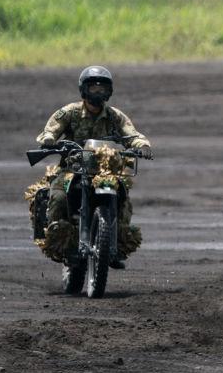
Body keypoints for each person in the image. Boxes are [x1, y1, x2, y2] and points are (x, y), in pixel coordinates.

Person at [35, 66, 152, 269]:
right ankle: (59, 242)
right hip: (73, 169)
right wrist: (49, 139)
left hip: (105, 170)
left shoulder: (115, 116)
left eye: (102, 88)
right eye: (93, 88)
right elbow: (51, 129)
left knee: (123, 198)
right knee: (59, 197)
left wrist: (142, 145)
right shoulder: (70, 112)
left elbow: (132, 134)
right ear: (83, 90)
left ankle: (116, 247)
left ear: (109, 91)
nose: (97, 93)